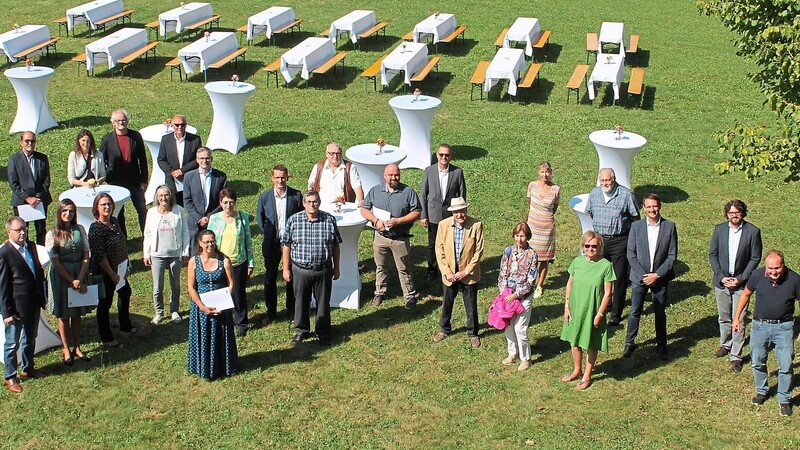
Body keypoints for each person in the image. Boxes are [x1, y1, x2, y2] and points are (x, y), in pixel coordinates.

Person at [732, 250, 799, 417]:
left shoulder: (794, 279)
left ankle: (784, 400)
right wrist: (737, 318)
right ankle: (762, 391)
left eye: (777, 268)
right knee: (757, 361)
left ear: (783, 265)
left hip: (784, 327)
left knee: (785, 365)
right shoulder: (757, 275)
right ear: (765, 267)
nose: (774, 272)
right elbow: (745, 294)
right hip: (759, 326)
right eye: (770, 268)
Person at [709, 198, 762, 373]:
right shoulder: (719, 230)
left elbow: (755, 258)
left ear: (742, 213)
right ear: (727, 214)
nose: (734, 215)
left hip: (741, 284)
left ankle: (736, 356)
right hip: (722, 282)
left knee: (738, 319)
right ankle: (725, 344)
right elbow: (713, 254)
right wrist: (721, 276)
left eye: (737, 212)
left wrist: (741, 278)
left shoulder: (753, 232)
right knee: (724, 316)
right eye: (731, 213)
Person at [282, 190, 341, 346]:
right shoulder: (294, 220)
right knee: (301, 302)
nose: (312, 204)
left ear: (319, 203)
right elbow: (286, 246)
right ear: (303, 203)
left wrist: (336, 268)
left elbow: (336, 245)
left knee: (323, 303)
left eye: (315, 201)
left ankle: (323, 332)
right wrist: (286, 269)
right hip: (301, 269)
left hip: (323, 268)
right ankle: (301, 330)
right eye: (309, 202)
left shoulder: (329, 220)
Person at [622, 194, 678, 360]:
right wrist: (643, 275)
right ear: (644, 208)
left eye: (655, 206)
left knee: (660, 312)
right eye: (649, 207)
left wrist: (657, 275)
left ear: (659, 206)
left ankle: (662, 345)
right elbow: (630, 254)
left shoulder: (669, 227)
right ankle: (629, 342)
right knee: (635, 310)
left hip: (660, 278)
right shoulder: (636, 226)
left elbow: (671, 255)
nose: (652, 210)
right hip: (640, 277)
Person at [360, 164, 421, 308]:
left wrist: (399, 221)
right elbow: (364, 209)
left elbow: (417, 212)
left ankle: (409, 295)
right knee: (381, 266)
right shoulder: (375, 191)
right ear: (384, 175)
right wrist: (376, 220)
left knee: (404, 268)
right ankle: (379, 292)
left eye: (397, 175)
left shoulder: (408, 192)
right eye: (391, 175)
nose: (394, 178)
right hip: (381, 237)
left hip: (400, 238)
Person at [560, 231, 615, 391]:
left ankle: (587, 375)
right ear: (582, 247)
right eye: (587, 246)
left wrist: (600, 314)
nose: (591, 249)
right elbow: (569, 284)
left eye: (594, 246)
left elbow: (608, 293)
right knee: (574, 340)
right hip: (576, 309)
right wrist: (567, 306)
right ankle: (577, 370)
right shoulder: (577, 262)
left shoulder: (606, 266)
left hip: (593, 311)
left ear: (599, 247)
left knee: (591, 342)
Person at [585, 167, 639, 326]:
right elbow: (591, 212)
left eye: (608, 180)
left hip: (619, 241)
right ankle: (603, 305)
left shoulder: (626, 195)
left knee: (619, 278)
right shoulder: (594, 193)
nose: (605, 183)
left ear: (613, 179)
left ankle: (616, 314)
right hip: (600, 241)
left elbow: (635, 217)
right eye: (602, 180)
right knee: (600, 275)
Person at [0, 217, 47, 393]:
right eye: (18, 230)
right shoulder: (5, 253)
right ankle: (10, 376)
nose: (22, 233)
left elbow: (37, 271)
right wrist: (7, 313)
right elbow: (2, 286)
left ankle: (28, 368)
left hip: (33, 302)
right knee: (12, 343)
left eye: (24, 229)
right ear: (9, 232)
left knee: (30, 337)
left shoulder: (31, 246)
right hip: (15, 307)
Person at [431, 197, 484, 349]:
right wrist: (447, 272)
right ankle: (444, 329)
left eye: (462, 211)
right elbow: (439, 249)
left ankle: (473, 333)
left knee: (471, 304)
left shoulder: (476, 225)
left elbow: (479, 251)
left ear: (466, 210)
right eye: (456, 212)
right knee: (447, 302)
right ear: (452, 213)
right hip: (450, 273)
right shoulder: (443, 225)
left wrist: (466, 271)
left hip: (468, 273)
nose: (460, 215)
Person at [45, 200, 93, 367]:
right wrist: (71, 280)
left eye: (71, 211)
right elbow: (56, 262)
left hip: (79, 272)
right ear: (59, 212)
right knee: (64, 314)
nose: (68, 214)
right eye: (65, 211)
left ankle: (77, 346)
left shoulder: (80, 229)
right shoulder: (52, 234)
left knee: (77, 313)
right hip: (62, 276)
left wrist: (80, 277)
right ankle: (66, 348)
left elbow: (86, 254)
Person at [187, 229, 239, 380]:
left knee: (222, 336)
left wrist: (222, 303)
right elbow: (191, 287)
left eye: (212, 241)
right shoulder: (194, 261)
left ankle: (224, 367)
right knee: (204, 336)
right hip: (201, 307)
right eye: (207, 242)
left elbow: (231, 283)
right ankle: (204, 368)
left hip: (221, 306)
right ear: (200, 243)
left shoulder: (224, 260)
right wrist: (202, 307)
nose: (210, 245)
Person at [256, 164, 303, 325]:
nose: (280, 180)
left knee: (290, 276)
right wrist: (270, 234)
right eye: (277, 177)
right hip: (272, 244)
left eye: (282, 177)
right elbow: (261, 220)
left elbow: (301, 217)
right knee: (270, 278)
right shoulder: (265, 197)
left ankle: (291, 310)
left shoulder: (296, 196)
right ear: (272, 178)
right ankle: (271, 312)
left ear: (287, 177)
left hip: (291, 243)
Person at [88, 194, 134, 348]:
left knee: (125, 292)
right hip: (105, 273)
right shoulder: (96, 229)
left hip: (120, 269)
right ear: (96, 208)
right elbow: (100, 256)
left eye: (109, 204)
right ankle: (106, 337)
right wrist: (112, 274)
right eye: (103, 205)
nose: (107, 207)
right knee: (105, 304)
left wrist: (126, 265)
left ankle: (125, 325)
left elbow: (122, 243)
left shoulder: (114, 222)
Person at [207, 189, 254, 337]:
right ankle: (222, 321)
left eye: (231, 202)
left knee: (238, 294)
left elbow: (248, 241)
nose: (228, 205)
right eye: (225, 202)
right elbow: (208, 241)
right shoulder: (214, 219)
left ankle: (241, 324)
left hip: (238, 262)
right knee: (220, 293)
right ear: (220, 203)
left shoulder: (242, 217)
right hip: (220, 262)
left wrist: (250, 263)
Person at [143, 185, 190, 325]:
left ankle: (174, 310)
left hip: (175, 254)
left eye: (166, 195)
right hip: (157, 254)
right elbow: (148, 234)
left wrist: (185, 251)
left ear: (171, 196)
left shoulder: (179, 210)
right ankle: (159, 312)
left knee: (175, 284)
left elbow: (185, 232)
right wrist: (146, 253)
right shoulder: (151, 213)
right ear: (157, 198)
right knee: (158, 287)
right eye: (160, 196)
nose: (163, 198)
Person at [420, 143, 466, 281]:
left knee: (451, 243)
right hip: (433, 215)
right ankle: (432, 269)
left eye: (447, 155)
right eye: (441, 155)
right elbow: (423, 195)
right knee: (432, 243)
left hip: (450, 215)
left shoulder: (457, 172)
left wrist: (461, 214)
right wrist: (423, 215)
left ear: (450, 156)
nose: (444, 157)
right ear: (437, 155)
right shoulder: (429, 171)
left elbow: (462, 195)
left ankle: (450, 269)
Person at [496, 222, 538, 371]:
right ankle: (512, 353)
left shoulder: (532, 254)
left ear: (528, 237)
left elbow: (531, 279)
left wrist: (516, 294)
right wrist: (504, 292)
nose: (520, 239)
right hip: (507, 296)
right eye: (517, 235)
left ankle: (526, 358)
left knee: (520, 328)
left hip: (523, 297)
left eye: (523, 236)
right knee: (508, 325)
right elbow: (502, 272)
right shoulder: (508, 251)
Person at [99, 109, 148, 237]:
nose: (121, 122)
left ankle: (147, 235)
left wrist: (144, 180)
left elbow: (142, 160)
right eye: (118, 120)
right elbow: (101, 160)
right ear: (113, 122)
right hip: (115, 182)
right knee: (119, 212)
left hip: (135, 181)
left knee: (142, 210)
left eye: (124, 120)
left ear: (127, 121)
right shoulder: (107, 140)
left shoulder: (136, 137)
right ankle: (122, 238)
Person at [8, 131, 51, 245]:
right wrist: (27, 198)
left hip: (39, 201)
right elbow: (13, 183)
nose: (30, 143)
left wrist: (37, 198)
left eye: (32, 141)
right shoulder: (14, 159)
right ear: (21, 142)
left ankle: (41, 254)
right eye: (27, 141)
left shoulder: (42, 158)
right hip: (22, 201)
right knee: (22, 231)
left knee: (41, 230)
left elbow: (46, 180)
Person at [526, 161, 560, 298]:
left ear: (551, 173)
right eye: (542, 172)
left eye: (547, 172)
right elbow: (530, 202)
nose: (545, 175)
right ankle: (529, 281)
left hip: (547, 229)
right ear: (538, 172)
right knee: (530, 256)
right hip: (533, 226)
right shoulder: (532, 186)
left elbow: (555, 208)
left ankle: (539, 285)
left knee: (544, 259)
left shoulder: (556, 189)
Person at [157, 114, 202, 206]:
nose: (180, 127)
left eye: (182, 124)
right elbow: (161, 159)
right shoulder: (166, 139)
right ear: (172, 125)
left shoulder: (195, 140)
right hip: (172, 179)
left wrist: (182, 171)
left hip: (190, 177)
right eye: (177, 125)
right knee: (174, 206)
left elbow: (198, 159)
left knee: (194, 205)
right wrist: (172, 172)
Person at [183, 147, 228, 239]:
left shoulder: (220, 177)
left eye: (207, 158)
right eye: (201, 158)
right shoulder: (189, 177)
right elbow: (187, 200)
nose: (204, 161)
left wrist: (209, 217)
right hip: (194, 224)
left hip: (215, 221)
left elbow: (223, 200)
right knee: (194, 252)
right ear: (197, 160)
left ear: (211, 159)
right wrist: (199, 219)